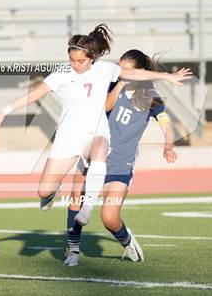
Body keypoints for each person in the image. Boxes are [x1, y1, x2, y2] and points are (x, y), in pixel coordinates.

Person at [0, 25, 189, 218]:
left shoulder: (105, 69)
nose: (75, 65)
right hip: (68, 137)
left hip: (95, 134)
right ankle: (53, 191)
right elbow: (34, 95)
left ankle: (86, 210)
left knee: (100, 150)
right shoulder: (61, 74)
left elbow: (135, 73)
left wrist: (167, 76)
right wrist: (4, 112)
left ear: (91, 59)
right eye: (71, 60)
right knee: (43, 191)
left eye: (80, 61)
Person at [64, 49, 179, 267]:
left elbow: (166, 125)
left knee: (109, 218)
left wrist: (168, 146)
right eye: (120, 68)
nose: (121, 73)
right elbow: (105, 107)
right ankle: (73, 250)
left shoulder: (151, 98)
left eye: (127, 70)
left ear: (141, 73)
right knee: (76, 199)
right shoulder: (110, 87)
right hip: (94, 154)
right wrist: (119, 85)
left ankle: (127, 241)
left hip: (121, 164)